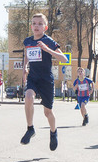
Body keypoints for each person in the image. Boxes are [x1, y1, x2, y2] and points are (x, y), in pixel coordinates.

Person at [20, 13, 68, 150]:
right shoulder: (28, 41)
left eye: (40, 24)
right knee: (28, 97)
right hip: (33, 77)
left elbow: (64, 59)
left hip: (46, 79)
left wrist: (47, 49)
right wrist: (24, 68)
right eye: (34, 23)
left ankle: (53, 132)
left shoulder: (49, 41)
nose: (37, 26)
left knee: (48, 112)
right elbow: (27, 56)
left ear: (45, 27)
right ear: (31, 26)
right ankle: (30, 129)